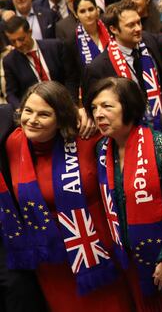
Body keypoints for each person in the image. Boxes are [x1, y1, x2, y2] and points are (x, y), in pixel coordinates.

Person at [2, 81, 133, 311]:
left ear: (61, 118)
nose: (32, 119)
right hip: (52, 263)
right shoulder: (14, 143)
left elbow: (131, 138)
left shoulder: (86, 137)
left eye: (44, 114)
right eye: (28, 111)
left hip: (95, 254)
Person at [86, 77, 162, 310]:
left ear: (129, 106)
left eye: (107, 106)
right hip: (133, 264)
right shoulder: (102, 149)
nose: (98, 114)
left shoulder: (160, 145)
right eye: (94, 108)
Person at [82, 0, 162, 127]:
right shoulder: (97, 68)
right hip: (127, 132)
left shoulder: (149, 42)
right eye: (131, 25)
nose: (138, 28)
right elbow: (93, 110)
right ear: (113, 29)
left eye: (139, 22)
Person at [2, 16, 74, 108]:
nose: (18, 44)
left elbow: (71, 78)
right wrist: (21, 109)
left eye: (21, 39)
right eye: (13, 41)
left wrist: (72, 102)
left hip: (64, 102)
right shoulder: (10, 61)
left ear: (30, 32)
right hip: (36, 109)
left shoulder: (55, 47)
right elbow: (11, 94)